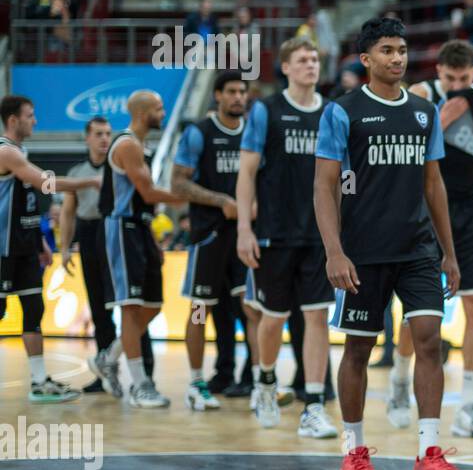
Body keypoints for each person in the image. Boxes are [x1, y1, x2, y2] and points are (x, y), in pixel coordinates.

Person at [314, 16, 465, 470]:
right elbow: (324, 186)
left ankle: (429, 454)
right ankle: (354, 452)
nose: (397, 58)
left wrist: (450, 253)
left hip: (417, 249)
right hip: (362, 251)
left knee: (428, 340)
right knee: (359, 348)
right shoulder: (342, 111)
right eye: (386, 50)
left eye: (401, 50)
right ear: (366, 59)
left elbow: (434, 183)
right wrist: (334, 252)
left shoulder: (423, 111)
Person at [397, 40, 473, 439]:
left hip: (469, 209)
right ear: (439, 72)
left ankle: (469, 408)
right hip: (425, 209)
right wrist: (442, 118)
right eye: (451, 77)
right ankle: (398, 379)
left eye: (465, 78)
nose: (459, 83)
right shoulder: (421, 96)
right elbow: (407, 152)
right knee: (420, 312)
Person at [236, 36, 339, 439]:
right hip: (274, 233)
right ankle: (264, 382)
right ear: (286, 67)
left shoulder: (330, 113)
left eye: (315, 58)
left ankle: (313, 404)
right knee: (273, 318)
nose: (311, 65)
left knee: (316, 317)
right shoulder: (266, 110)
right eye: (302, 59)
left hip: (317, 234)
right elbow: (246, 174)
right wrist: (245, 228)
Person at [0, 96, 100, 401]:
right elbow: (45, 184)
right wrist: (89, 183)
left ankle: (40, 382)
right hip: (2, 249)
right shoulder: (6, 151)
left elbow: (24, 206)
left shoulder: (20, 151)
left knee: (34, 311)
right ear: (13, 120)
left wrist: (41, 243)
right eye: (31, 116)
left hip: (25, 247)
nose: (36, 121)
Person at [173, 71, 262, 413]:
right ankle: (196, 383)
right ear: (218, 96)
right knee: (199, 310)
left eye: (243, 92)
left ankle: (259, 381)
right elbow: (178, 184)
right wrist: (221, 201)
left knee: (252, 309)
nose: (239, 97)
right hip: (208, 234)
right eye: (232, 92)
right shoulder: (199, 132)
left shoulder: (253, 133)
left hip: (244, 235)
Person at [99, 91, 188, 407]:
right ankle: (140, 385)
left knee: (153, 305)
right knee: (132, 306)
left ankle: (109, 356)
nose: (163, 113)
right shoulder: (127, 145)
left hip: (140, 229)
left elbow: (144, 203)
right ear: (142, 112)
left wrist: (151, 238)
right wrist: (194, 197)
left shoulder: (141, 146)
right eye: (158, 108)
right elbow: (149, 193)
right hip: (122, 230)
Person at [60, 116, 155, 395]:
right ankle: (105, 372)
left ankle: (145, 372)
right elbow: (67, 212)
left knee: (133, 303)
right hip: (89, 235)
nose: (104, 139)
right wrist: (65, 247)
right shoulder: (77, 172)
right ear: (87, 138)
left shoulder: (122, 164)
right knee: (99, 307)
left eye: (108, 133)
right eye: (98, 134)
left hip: (119, 231)